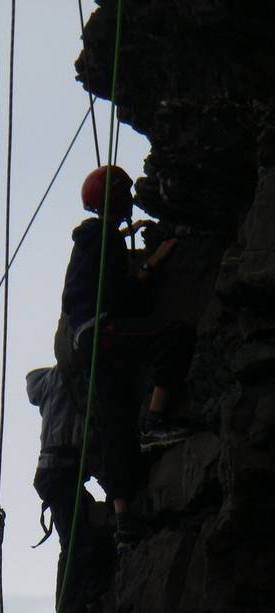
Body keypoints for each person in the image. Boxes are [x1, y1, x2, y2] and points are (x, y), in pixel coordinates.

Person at [58, 165, 195, 544]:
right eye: (125, 195)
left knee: (115, 422)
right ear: (117, 200)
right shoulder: (106, 240)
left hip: (86, 341)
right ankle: (154, 422)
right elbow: (121, 297)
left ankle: (124, 521)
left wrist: (122, 238)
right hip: (105, 331)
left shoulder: (89, 239)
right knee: (175, 335)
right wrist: (155, 260)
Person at [27, 366, 112, 613]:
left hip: (56, 471)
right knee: (76, 542)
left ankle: (84, 609)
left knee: (88, 536)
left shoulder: (53, 381)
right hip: (61, 470)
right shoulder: (71, 378)